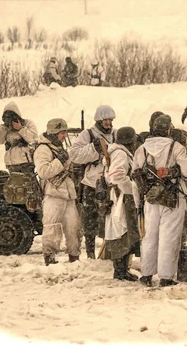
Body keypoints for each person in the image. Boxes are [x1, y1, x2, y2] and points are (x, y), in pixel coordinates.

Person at [133, 115, 187, 287]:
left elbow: (135, 174)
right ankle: (166, 277)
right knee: (169, 237)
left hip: (150, 198)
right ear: (168, 129)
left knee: (149, 237)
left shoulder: (142, 149)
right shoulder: (176, 147)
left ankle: (146, 274)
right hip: (172, 197)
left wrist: (139, 202)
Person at [68, 105, 117, 259]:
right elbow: (74, 155)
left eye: (110, 120)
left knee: (111, 218)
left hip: (111, 182)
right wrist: (94, 149)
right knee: (90, 218)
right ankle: (90, 251)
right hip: (91, 182)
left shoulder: (116, 134)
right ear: (99, 120)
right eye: (105, 120)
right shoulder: (87, 134)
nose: (108, 123)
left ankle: (108, 250)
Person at [34, 118, 81, 266]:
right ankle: (49, 257)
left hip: (67, 194)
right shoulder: (43, 149)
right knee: (51, 227)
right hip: (53, 194)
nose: (64, 135)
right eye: (62, 132)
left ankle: (74, 256)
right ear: (54, 133)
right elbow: (43, 171)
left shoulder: (58, 147)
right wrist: (59, 162)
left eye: (65, 132)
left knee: (73, 227)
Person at [102, 127, 141, 281]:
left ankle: (122, 269)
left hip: (120, 196)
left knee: (123, 232)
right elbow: (117, 175)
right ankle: (120, 270)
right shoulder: (120, 154)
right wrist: (131, 189)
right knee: (122, 233)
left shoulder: (117, 151)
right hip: (122, 197)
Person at [0, 101, 38, 176]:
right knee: (15, 186)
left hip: (25, 163)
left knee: (28, 184)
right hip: (11, 164)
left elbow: (34, 139)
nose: (10, 120)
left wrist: (21, 128)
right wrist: (3, 128)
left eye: (12, 116)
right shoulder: (6, 129)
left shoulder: (27, 123)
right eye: (7, 117)